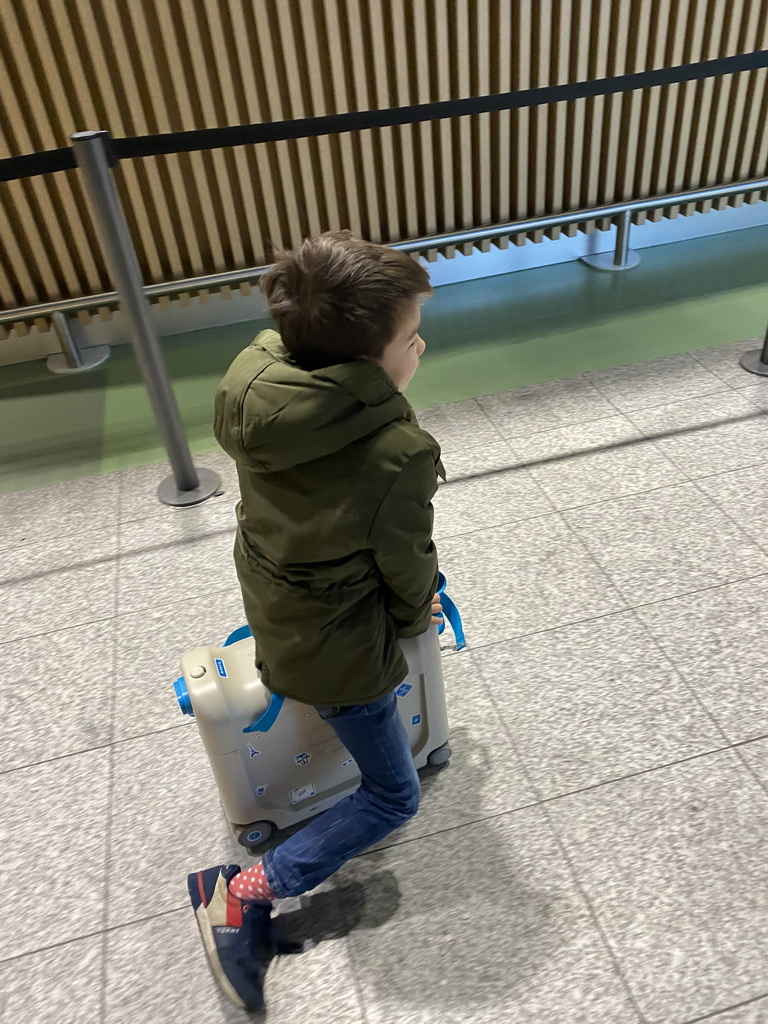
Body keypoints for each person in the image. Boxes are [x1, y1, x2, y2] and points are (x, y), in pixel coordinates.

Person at [187, 230, 444, 1012]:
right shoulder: (396, 452)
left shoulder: (253, 388)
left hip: (276, 590)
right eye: (410, 338)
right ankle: (243, 895)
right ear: (366, 364)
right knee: (395, 796)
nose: (421, 345)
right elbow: (405, 563)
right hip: (341, 639)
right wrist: (415, 613)